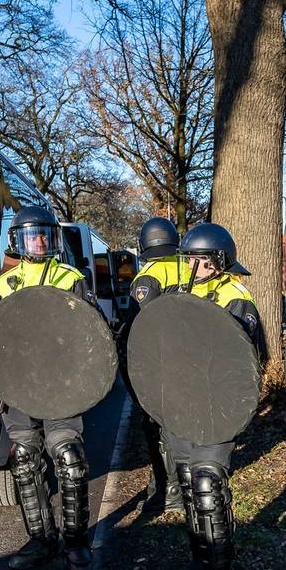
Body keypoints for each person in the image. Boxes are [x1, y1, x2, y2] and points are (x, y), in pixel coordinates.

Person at [0, 206, 96, 570]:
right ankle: (40, 538)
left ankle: (76, 542)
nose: (37, 241)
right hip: (20, 385)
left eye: (43, 234)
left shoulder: (70, 279)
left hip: (61, 384)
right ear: (17, 241)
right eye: (30, 235)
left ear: (52, 238)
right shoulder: (6, 284)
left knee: (68, 456)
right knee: (23, 457)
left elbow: (90, 334)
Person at [165, 222, 265, 570]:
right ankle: (200, 556)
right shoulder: (177, 294)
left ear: (219, 262)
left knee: (208, 482)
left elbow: (243, 357)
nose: (192, 266)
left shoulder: (236, 298)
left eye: (199, 260)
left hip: (215, 405)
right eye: (188, 259)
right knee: (188, 480)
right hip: (180, 404)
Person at [125, 217, 186, 513]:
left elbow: (142, 324)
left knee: (157, 424)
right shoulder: (188, 267)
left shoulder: (147, 277)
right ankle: (162, 481)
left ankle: (170, 490)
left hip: (159, 361)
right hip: (188, 359)